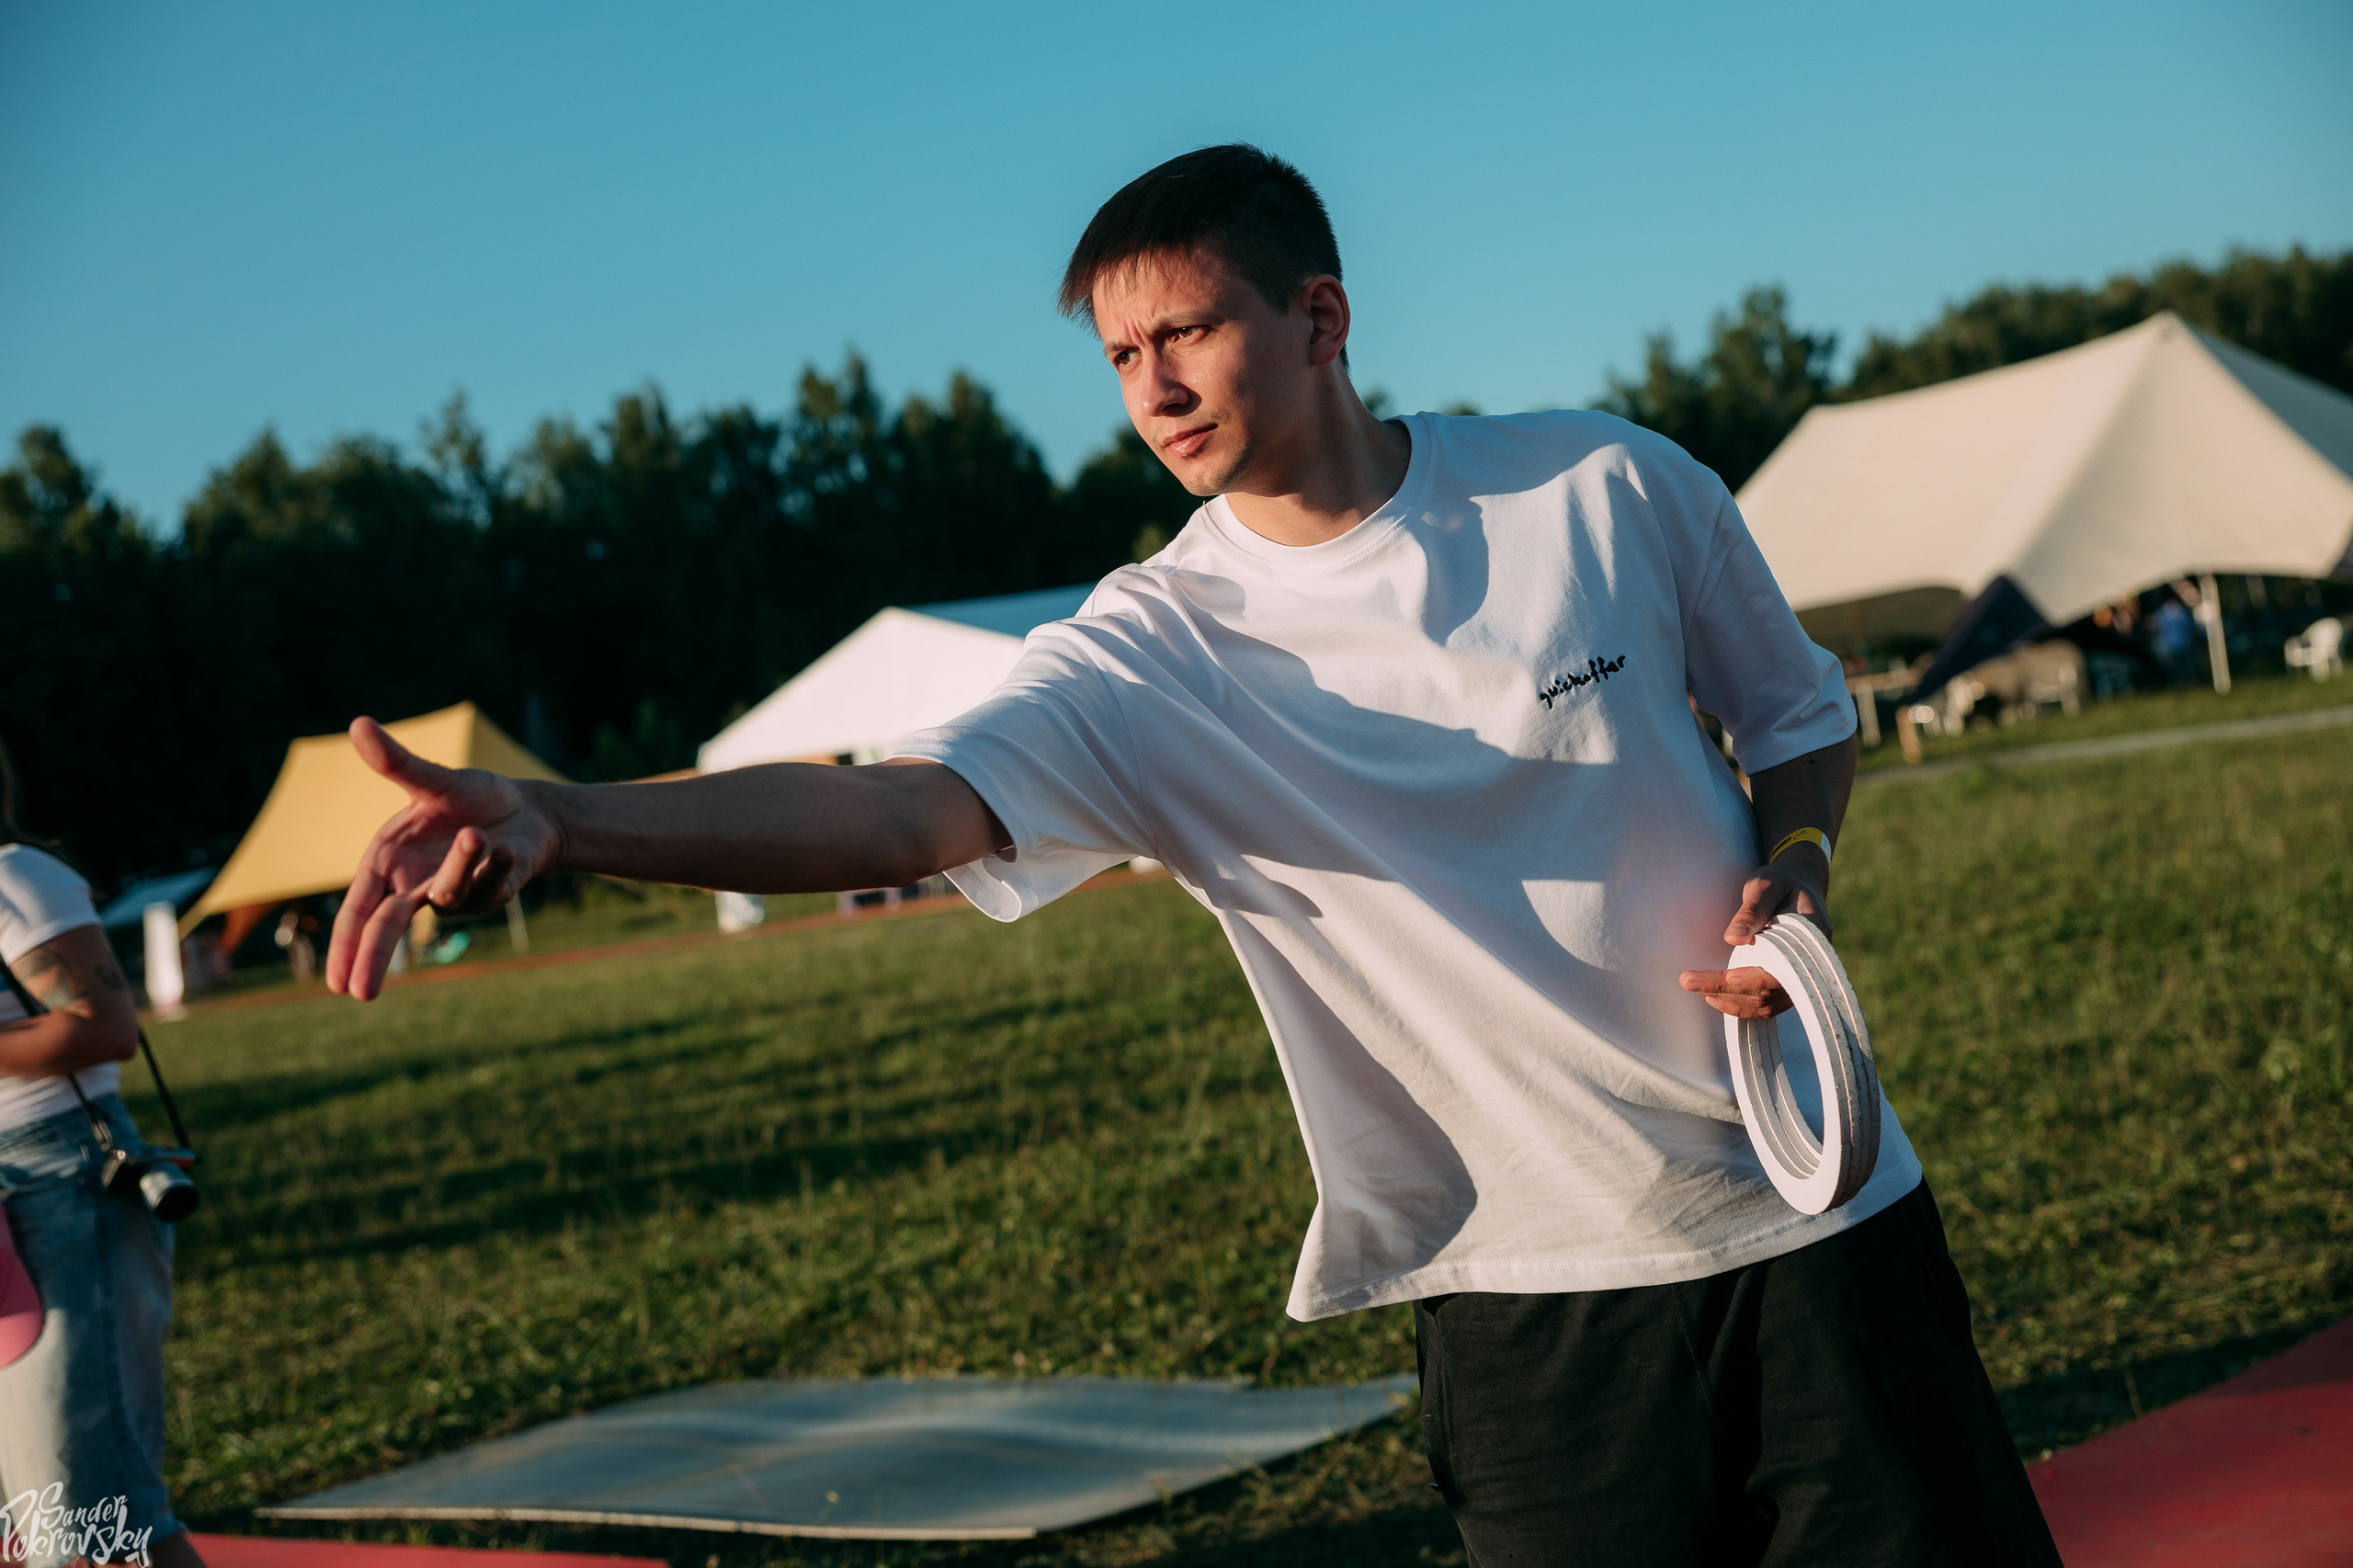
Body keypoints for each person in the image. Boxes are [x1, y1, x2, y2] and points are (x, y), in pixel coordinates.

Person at [327, 146, 2059, 1563]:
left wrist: (1803, 863)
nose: (1151, 389)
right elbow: (896, 810)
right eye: (1115, 357)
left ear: (1319, 318)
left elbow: (1798, 714)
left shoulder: (1599, 486)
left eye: (1187, 333)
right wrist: (567, 819)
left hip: (1829, 1218)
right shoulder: (1152, 650)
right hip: (1536, 1307)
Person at [0, 741, 205, 1568]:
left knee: (93, 1522)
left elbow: (107, 1026)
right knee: (34, 1518)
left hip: (61, 1184)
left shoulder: (16, 875)